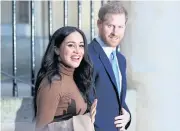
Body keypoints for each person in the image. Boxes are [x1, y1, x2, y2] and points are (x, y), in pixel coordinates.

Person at [33, 26, 97, 130]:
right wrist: (81, 122)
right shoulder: (53, 83)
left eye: (81, 46)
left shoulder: (76, 78)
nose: (77, 51)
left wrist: (87, 119)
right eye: (71, 45)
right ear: (57, 50)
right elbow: (41, 128)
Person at [88, 1, 131, 131]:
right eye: (110, 25)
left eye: (120, 27)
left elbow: (117, 97)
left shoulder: (120, 59)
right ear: (99, 24)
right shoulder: (88, 55)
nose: (115, 32)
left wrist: (128, 116)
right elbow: (85, 102)